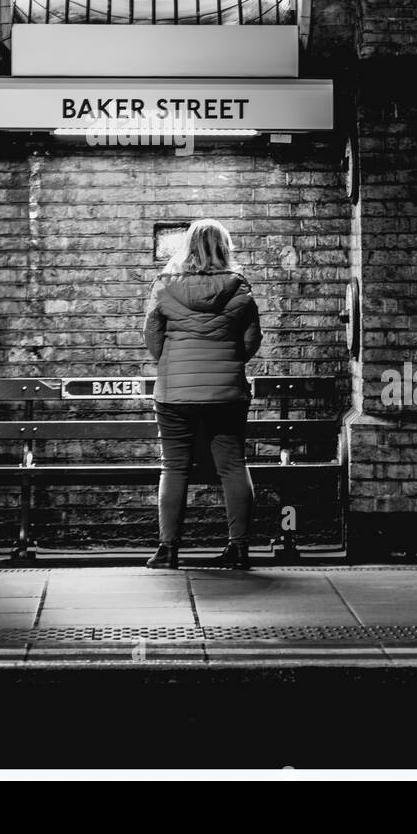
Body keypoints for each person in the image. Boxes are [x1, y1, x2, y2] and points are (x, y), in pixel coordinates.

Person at [142, 218, 263, 570]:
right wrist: (227, 360)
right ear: (224, 247)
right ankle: (239, 549)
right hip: (226, 394)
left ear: (188, 247)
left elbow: (152, 340)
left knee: (174, 467)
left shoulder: (164, 286)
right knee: (233, 466)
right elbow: (251, 343)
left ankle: (167, 549)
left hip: (174, 393)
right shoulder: (239, 289)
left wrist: (174, 364)